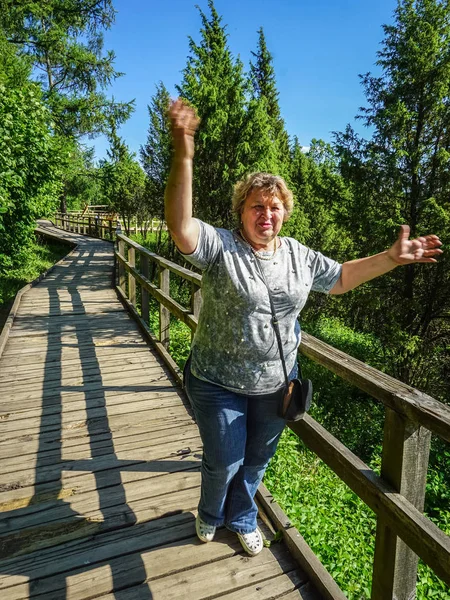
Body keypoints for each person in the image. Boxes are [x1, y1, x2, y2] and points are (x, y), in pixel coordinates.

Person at [164, 98, 442, 557]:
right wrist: (184, 152)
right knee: (225, 459)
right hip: (216, 380)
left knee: (255, 461)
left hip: (276, 385)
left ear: (285, 213)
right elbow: (180, 227)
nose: (266, 215)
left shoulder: (298, 255)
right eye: (257, 206)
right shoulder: (221, 247)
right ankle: (210, 513)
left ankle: (242, 516)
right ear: (241, 211)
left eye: (274, 207)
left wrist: (391, 258)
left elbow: (343, 279)